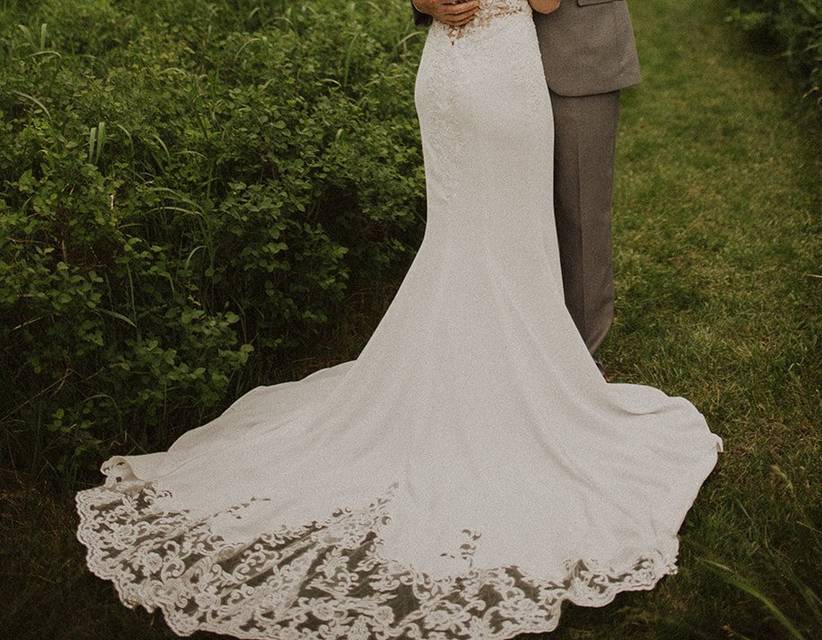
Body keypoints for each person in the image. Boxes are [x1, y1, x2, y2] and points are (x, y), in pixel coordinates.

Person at [75, 2, 724, 639]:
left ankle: (565, 371)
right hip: (483, 58)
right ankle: (540, 392)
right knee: (492, 234)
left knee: (556, 230)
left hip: (539, 53)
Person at [413, 0, 640, 378]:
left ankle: (580, 358)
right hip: (481, 57)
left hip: (578, 48)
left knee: (580, 209)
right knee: (488, 209)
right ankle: (489, 343)